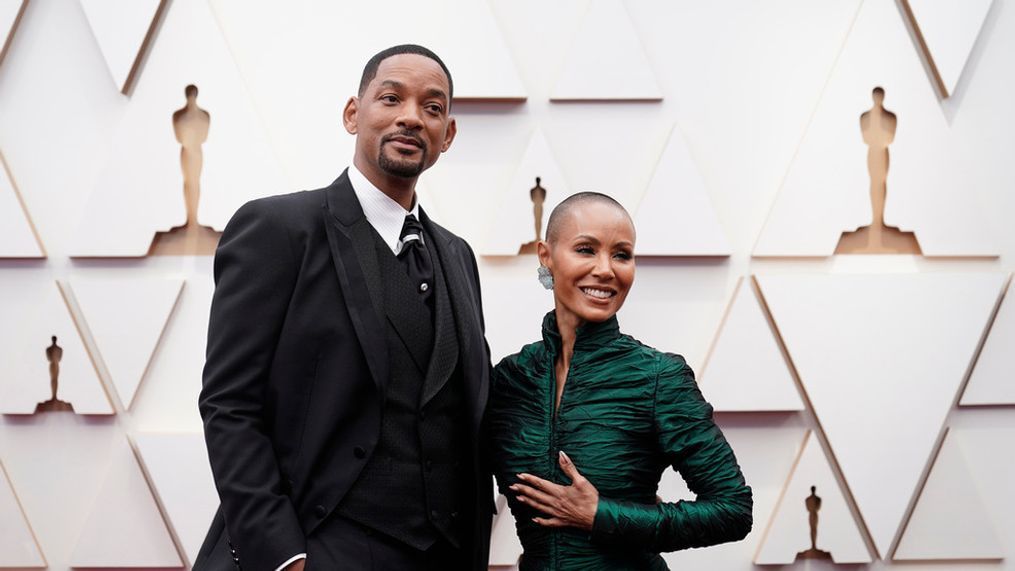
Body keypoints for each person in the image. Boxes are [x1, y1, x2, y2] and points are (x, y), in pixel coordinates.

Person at [195, 44, 492, 571]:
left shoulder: (457, 255)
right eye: (390, 98)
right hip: (320, 546)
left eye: (432, 107)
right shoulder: (279, 230)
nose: (410, 117)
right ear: (354, 114)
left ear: (447, 134)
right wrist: (283, 555)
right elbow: (229, 405)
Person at [487, 192, 752, 569]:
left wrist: (601, 515)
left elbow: (733, 509)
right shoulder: (510, 379)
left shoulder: (659, 377)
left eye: (622, 254)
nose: (606, 269)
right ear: (546, 255)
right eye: (585, 249)